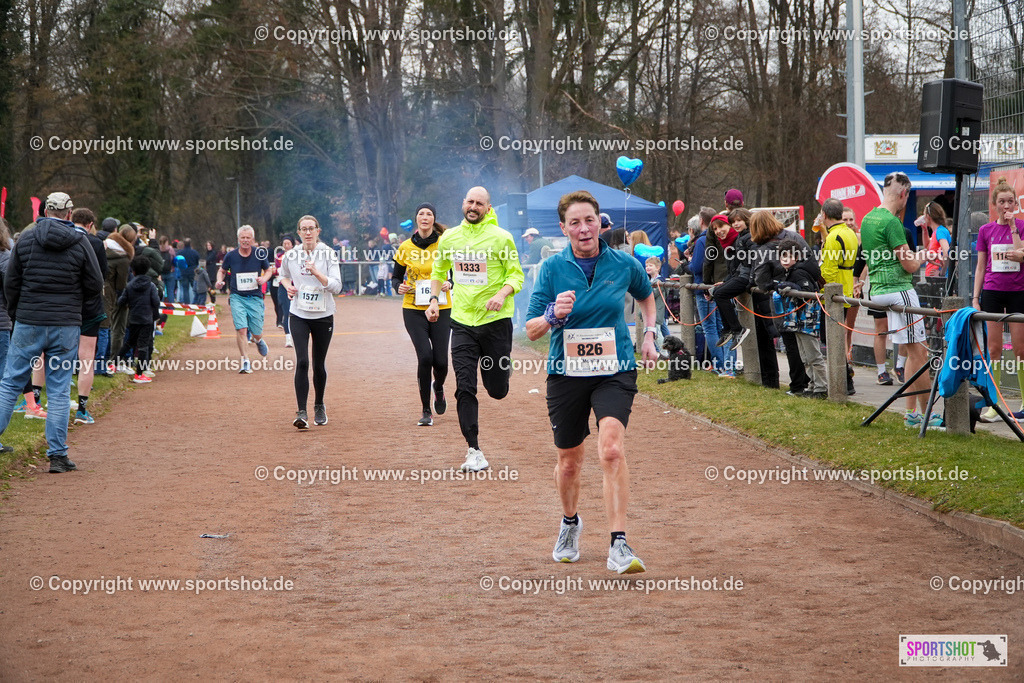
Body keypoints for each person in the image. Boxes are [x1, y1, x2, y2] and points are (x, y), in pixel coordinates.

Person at [525, 190, 658, 574]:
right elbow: (532, 329)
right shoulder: (551, 269)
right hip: (566, 373)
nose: (584, 229)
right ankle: (570, 523)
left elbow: (646, 296)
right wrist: (553, 314)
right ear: (563, 228)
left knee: (612, 449)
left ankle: (619, 544)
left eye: (590, 221)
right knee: (569, 462)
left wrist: (649, 334)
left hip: (614, 368)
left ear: (600, 222)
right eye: (575, 223)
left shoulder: (623, 263)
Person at [0, 191, 103, 473]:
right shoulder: (81, 241)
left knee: (10, 383)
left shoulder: (26, 239)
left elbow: (12, 281)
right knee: (58, 390)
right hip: (65, 325)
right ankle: (57, 455)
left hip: (29, 321)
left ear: (45, 211)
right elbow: (95, 283)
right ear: (69, 214)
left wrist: (16, 313)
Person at [426, 186, 524, 472]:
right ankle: (474, 450)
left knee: (496, 390)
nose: (473, 206)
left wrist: (501, 295)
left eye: (480, 203)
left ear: (488, 208)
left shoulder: (502, 238)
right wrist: (434, 300)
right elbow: (438, 270)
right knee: (464, 387)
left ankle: (502, 371)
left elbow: (516, 275)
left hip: (495, 323)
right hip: (462, 323)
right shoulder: (450, 237)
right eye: (470, 201)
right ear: (463, 203)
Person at [861, 171, 937, 428]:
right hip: (899, 290)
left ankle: (911, 414)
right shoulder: (892, 223)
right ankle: (927, 414)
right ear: (904, 194)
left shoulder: (868, 217)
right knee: (920, 352)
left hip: (878, 292)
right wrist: (924, 257)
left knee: (909, 354)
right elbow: (908, 266)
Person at [279, 216, 342, 428]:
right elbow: (283, 275)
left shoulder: (328, 254)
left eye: (311, 229)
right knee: (302, 361)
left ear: (318, 231)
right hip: (299, 314)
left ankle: (319, 405)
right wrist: (289, 286)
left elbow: (337, 286)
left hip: (324, 315)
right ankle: (302, 412)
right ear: (298, 233)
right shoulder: (291, 255)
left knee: (318, 363)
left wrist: (317, 274)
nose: (307, 232)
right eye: (303, 229)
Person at [393, 203, 452, 426]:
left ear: (433, 219)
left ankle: (438, 386)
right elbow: (396, 278)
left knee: (441, 362)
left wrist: (449, 282)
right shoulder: (405, 247)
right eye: (421, 214)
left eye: (428, 214)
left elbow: (454, 274)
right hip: (413, 308)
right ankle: (426, 411)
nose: (424, 217)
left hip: (443, 307)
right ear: (416, 219)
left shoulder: (444, 244)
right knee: (425, 357)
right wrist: (398, 286)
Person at [973, 177, 1024, 421]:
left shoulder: (1021, 226)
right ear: (994, 204)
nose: (1006, 206)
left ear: (1016, 204)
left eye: (1010, 202)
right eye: (1001, 201)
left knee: (1020, 349)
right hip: (992, 292)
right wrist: (975, 297)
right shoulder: (986, 230)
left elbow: (1022, 256)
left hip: (1017, 292)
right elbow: (981, 266)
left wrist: (1013, 228)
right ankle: (995, 403)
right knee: (993, 349)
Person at [772, 239, 826, 398]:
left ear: (797, 256)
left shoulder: (799, 272)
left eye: (789, 256)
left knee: (813, 355)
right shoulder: (790, 272)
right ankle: (811, 386)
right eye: (782, 257)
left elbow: (807, 291)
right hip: (796, 321)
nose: (785, 260)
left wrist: (793, 288)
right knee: (804, 356)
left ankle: (821, 388)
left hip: (806, 321)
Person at [216, 225, 273, 374]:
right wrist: (219, 281)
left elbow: (269, 270)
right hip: (237, 297)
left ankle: (258, 340)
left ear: (252, 239)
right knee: (241, 329)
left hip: (254, 297)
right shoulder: (231, 255)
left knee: (256, 332)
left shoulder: (259, 254)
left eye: (248, 238)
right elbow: (222, 271)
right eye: (243, 238)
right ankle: (245, 361)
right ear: (238, 239)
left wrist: (264, 279)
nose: (245, 240)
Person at [70, 208, 108, 424]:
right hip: (89, 305)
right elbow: (102, 274)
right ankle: (82, 410)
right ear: (91, 224)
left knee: (52, 354)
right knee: (86, 358)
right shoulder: (94, 243)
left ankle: (39, 400)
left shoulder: (62, 239)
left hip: (64, 304)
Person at [817, 198, 858, 396]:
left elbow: (830, 270)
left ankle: (844, 381)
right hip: (847, 288)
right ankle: (845, 376)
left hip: (835, 294)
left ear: (824, 215)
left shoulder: (834, 237)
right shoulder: (848, 232)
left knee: (831, 338)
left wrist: (823, 289)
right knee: (837, 337)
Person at [691, 207, 735, 376]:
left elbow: (699, 266)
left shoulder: (703, 241)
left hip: (709, 288)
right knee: (722, 326)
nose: (718, 231)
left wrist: (687, 266)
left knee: (710, 327)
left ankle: (722, 364)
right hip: (723, 286)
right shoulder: (725, 241)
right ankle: (728, 365)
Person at [705, 212, 750, 351]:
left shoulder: (739, 240)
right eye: (715, 229)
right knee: (717, 291)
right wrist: (725, 281)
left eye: (721, 226)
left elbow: (742, 266)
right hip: (738, 276)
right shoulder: (727, 244)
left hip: (746, 277)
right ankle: (728, 329)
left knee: (720, 294)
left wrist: (728, 282)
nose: (718, 231)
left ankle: (737, 329)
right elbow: (732, 269)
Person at [118, 255, 162, 383]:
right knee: (143, 346)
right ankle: (139, 374)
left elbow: (121, 301)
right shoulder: (151, 286)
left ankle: (113, 363)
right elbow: (156, 302)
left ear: (133, 271)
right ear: (147, 269)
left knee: (129, 343)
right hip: (147, 320)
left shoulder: (129, 286)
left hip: (133, 318)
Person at [102, 228, 133, 373]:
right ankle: (114, 360)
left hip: (100, 292)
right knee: (118, 329)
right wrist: (124, 300)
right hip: (114, 295)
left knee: (103, 329)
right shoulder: (123, 257)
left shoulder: (104, 247)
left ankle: (103, 359)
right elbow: (121, 284)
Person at [275, 235, 296, 347]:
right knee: (286, 312)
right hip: (284, 286)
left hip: (296, 286)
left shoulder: (298, 255)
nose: (286, 245)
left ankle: (296, 336)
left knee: (296, 313)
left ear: (292, 244)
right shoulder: (279, 256)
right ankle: (288, 337)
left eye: (288, 243)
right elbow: (279, 271)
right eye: (284, 243)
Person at [922, 202, 951, 278]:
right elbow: (927, 247)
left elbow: (947, 253)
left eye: (924, 215)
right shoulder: (936, 232)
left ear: (928, 216)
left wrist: (941, 273)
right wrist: (924, 230)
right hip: (933, 279)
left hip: (937, 280)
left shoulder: (940, 231)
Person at [178, 238, 200, 304]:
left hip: (184, 272)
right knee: (195, 288)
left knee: (185, 289)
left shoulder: (180, 253)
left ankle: (187, 303)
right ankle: (196, 302)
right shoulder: (195, 253)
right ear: (190, 244)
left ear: (184, 244)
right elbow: (197, 262)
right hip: (193, 272)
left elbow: (178, 262)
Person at [158, 236, 177, 302]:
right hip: (170, 272)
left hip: (160, 273)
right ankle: (171, 307)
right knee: (170, 291)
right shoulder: (170, 250)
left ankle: (161, 307)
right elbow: (175, 259)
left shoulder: (158, 249)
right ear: (167, 242)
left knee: (161, 291)